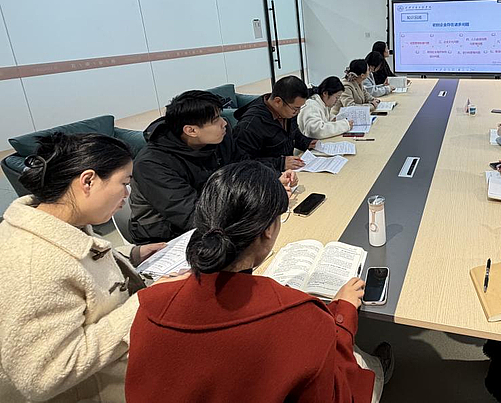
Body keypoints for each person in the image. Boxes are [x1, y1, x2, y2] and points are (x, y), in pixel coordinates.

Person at [126, 161, 393, 403]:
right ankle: (379, 369)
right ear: (268, 230)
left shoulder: (150, 305)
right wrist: (343, 312)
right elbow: (332, 393)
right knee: (360, 363)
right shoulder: (300, 313)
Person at [0, 133, 184, 402]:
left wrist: (132, 254)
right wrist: (146, 302)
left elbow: (82, 263)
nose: (127, 195)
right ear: (88, 181)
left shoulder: (58, 223)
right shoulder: (31, 265)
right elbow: (45, 375)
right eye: (124, 183)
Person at [130, 90, 297, 244]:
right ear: (191, 130)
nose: (224, 123)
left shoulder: (219, 138)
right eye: (216, 119)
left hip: (218, 218)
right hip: (168, 239)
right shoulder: (152, 164)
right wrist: (258, 202)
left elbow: (244, 165)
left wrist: (271, 179)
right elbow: (191, 216)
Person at [234, 76, 318, 172]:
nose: (298, 112)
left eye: (300, 107)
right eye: (296, 108)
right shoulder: (250, 125)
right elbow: (242, 164)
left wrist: (306, 142)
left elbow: (292, 134)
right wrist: (280, 163)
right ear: (278, 101)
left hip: (292, 171)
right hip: (267, 176)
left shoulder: (287, 111)